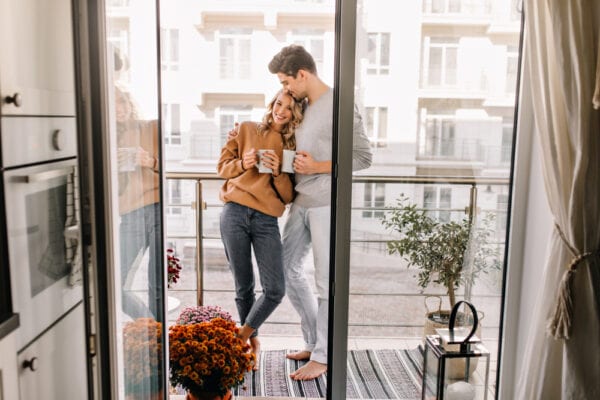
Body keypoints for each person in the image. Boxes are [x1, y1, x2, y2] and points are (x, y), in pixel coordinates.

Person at [268, 44, 372, 380]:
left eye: (287, 82)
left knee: (326, 281)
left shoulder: (341, 104)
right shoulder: (302, 105)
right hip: (301, 200)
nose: (285, 89)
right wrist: (278, 162)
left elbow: (363, 158)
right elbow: (302, 157)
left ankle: (324, 356)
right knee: (285, 269)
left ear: (303, 73)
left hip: (328, 203)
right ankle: (314, 342)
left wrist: (319, 166)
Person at [217, 89, 304, 367]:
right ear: (272, 104)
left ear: (295, 114)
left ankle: (239, 338)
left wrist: (278, 172)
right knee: (244, 288)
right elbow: (222, 168)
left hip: (267, 220)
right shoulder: (244, 129)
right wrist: (244, 162)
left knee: (275, 289)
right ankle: (251, 348)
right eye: (279, 104)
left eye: (289, 108)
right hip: (234, 212)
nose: (282, 111)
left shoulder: (292, 144)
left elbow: (288, 196)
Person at [115, 85, 162, 320]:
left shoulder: (150, 127)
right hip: (130, 214)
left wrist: (150, 160)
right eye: (113, 103)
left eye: (122, 102)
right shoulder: (105, 136)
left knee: (157, 284)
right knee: (115, 282)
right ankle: (151, 327)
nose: (119, 108)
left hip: (156, 208)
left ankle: (159, 343)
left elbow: (167, 168)